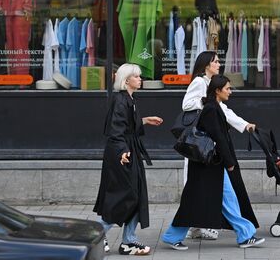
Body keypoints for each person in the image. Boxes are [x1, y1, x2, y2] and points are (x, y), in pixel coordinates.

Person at [162, 75, 264, 250]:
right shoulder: (211, 109)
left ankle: (245, 234)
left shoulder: (214, 107)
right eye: (227, 89)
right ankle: (172, 236)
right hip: (207, 165)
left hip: (211, 164)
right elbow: (219, 137)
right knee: (194, 201)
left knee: (228, 199)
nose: (230, 92)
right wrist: (230, 162)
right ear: (217, 90)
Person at [181, 51, 256, 240]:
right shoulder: (200, 82)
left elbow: (225, 111)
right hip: (201, 144)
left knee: (204, 187)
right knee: (201, 186)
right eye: (215, 61)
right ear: (206, 64)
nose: (218, 64)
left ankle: (194, 227)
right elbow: (186, 104)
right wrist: (206, 101)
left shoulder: (212, 84)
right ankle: (191, 227)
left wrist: (244, 124)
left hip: (209, 145)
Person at [93, 63, 163, 256]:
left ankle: (129, 241)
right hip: (122, 154)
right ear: (126, 80)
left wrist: (145, 120)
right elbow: (115, 130)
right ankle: (95, 236)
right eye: (137, 77)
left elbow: (126, 124)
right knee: (125, 196)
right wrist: (123, 151)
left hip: (128, 151)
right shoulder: (120, 100)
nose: (140, 79)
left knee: (136, 195)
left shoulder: (128, 99)